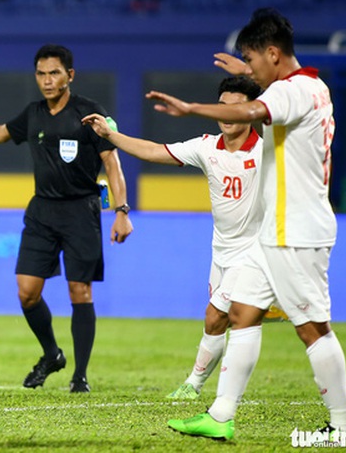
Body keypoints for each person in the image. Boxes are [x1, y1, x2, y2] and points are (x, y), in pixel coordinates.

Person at [147, 8, 346, 441]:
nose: (251, 70)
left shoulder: (291, 92)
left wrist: (189, 108)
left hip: (296, 230)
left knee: (312, 328)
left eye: (253, 59)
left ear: (273, 53)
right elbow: (274, 89)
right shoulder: (311, 86)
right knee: (242, 313)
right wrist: (248, 69)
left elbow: (253, 110)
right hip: (278, 232)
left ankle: (343, 428)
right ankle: (221, 415)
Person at [0, 44, 133, 393]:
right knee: (27, 292)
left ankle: (80, 377)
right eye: (41, 74)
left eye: (54, 73)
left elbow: (112, 163)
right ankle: (52, 354)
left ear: (70, 75)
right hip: (42, 211)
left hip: (81, 211)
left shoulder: (90, 113)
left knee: (79, 290)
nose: (46, 80)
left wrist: (121, 211)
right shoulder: (34, 113)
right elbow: (2, 131)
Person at [83, 75, 263, 401]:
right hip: (221, 251)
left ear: (250, 113)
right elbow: (153, 151)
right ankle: (205, 388)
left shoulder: (268, 154)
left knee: (217, 315)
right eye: (220, 106)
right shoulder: (207, 147)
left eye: (235, 108)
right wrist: (112, 135)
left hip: (255, 252)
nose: (225, 114)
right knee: (221, 323)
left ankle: (199, 389)